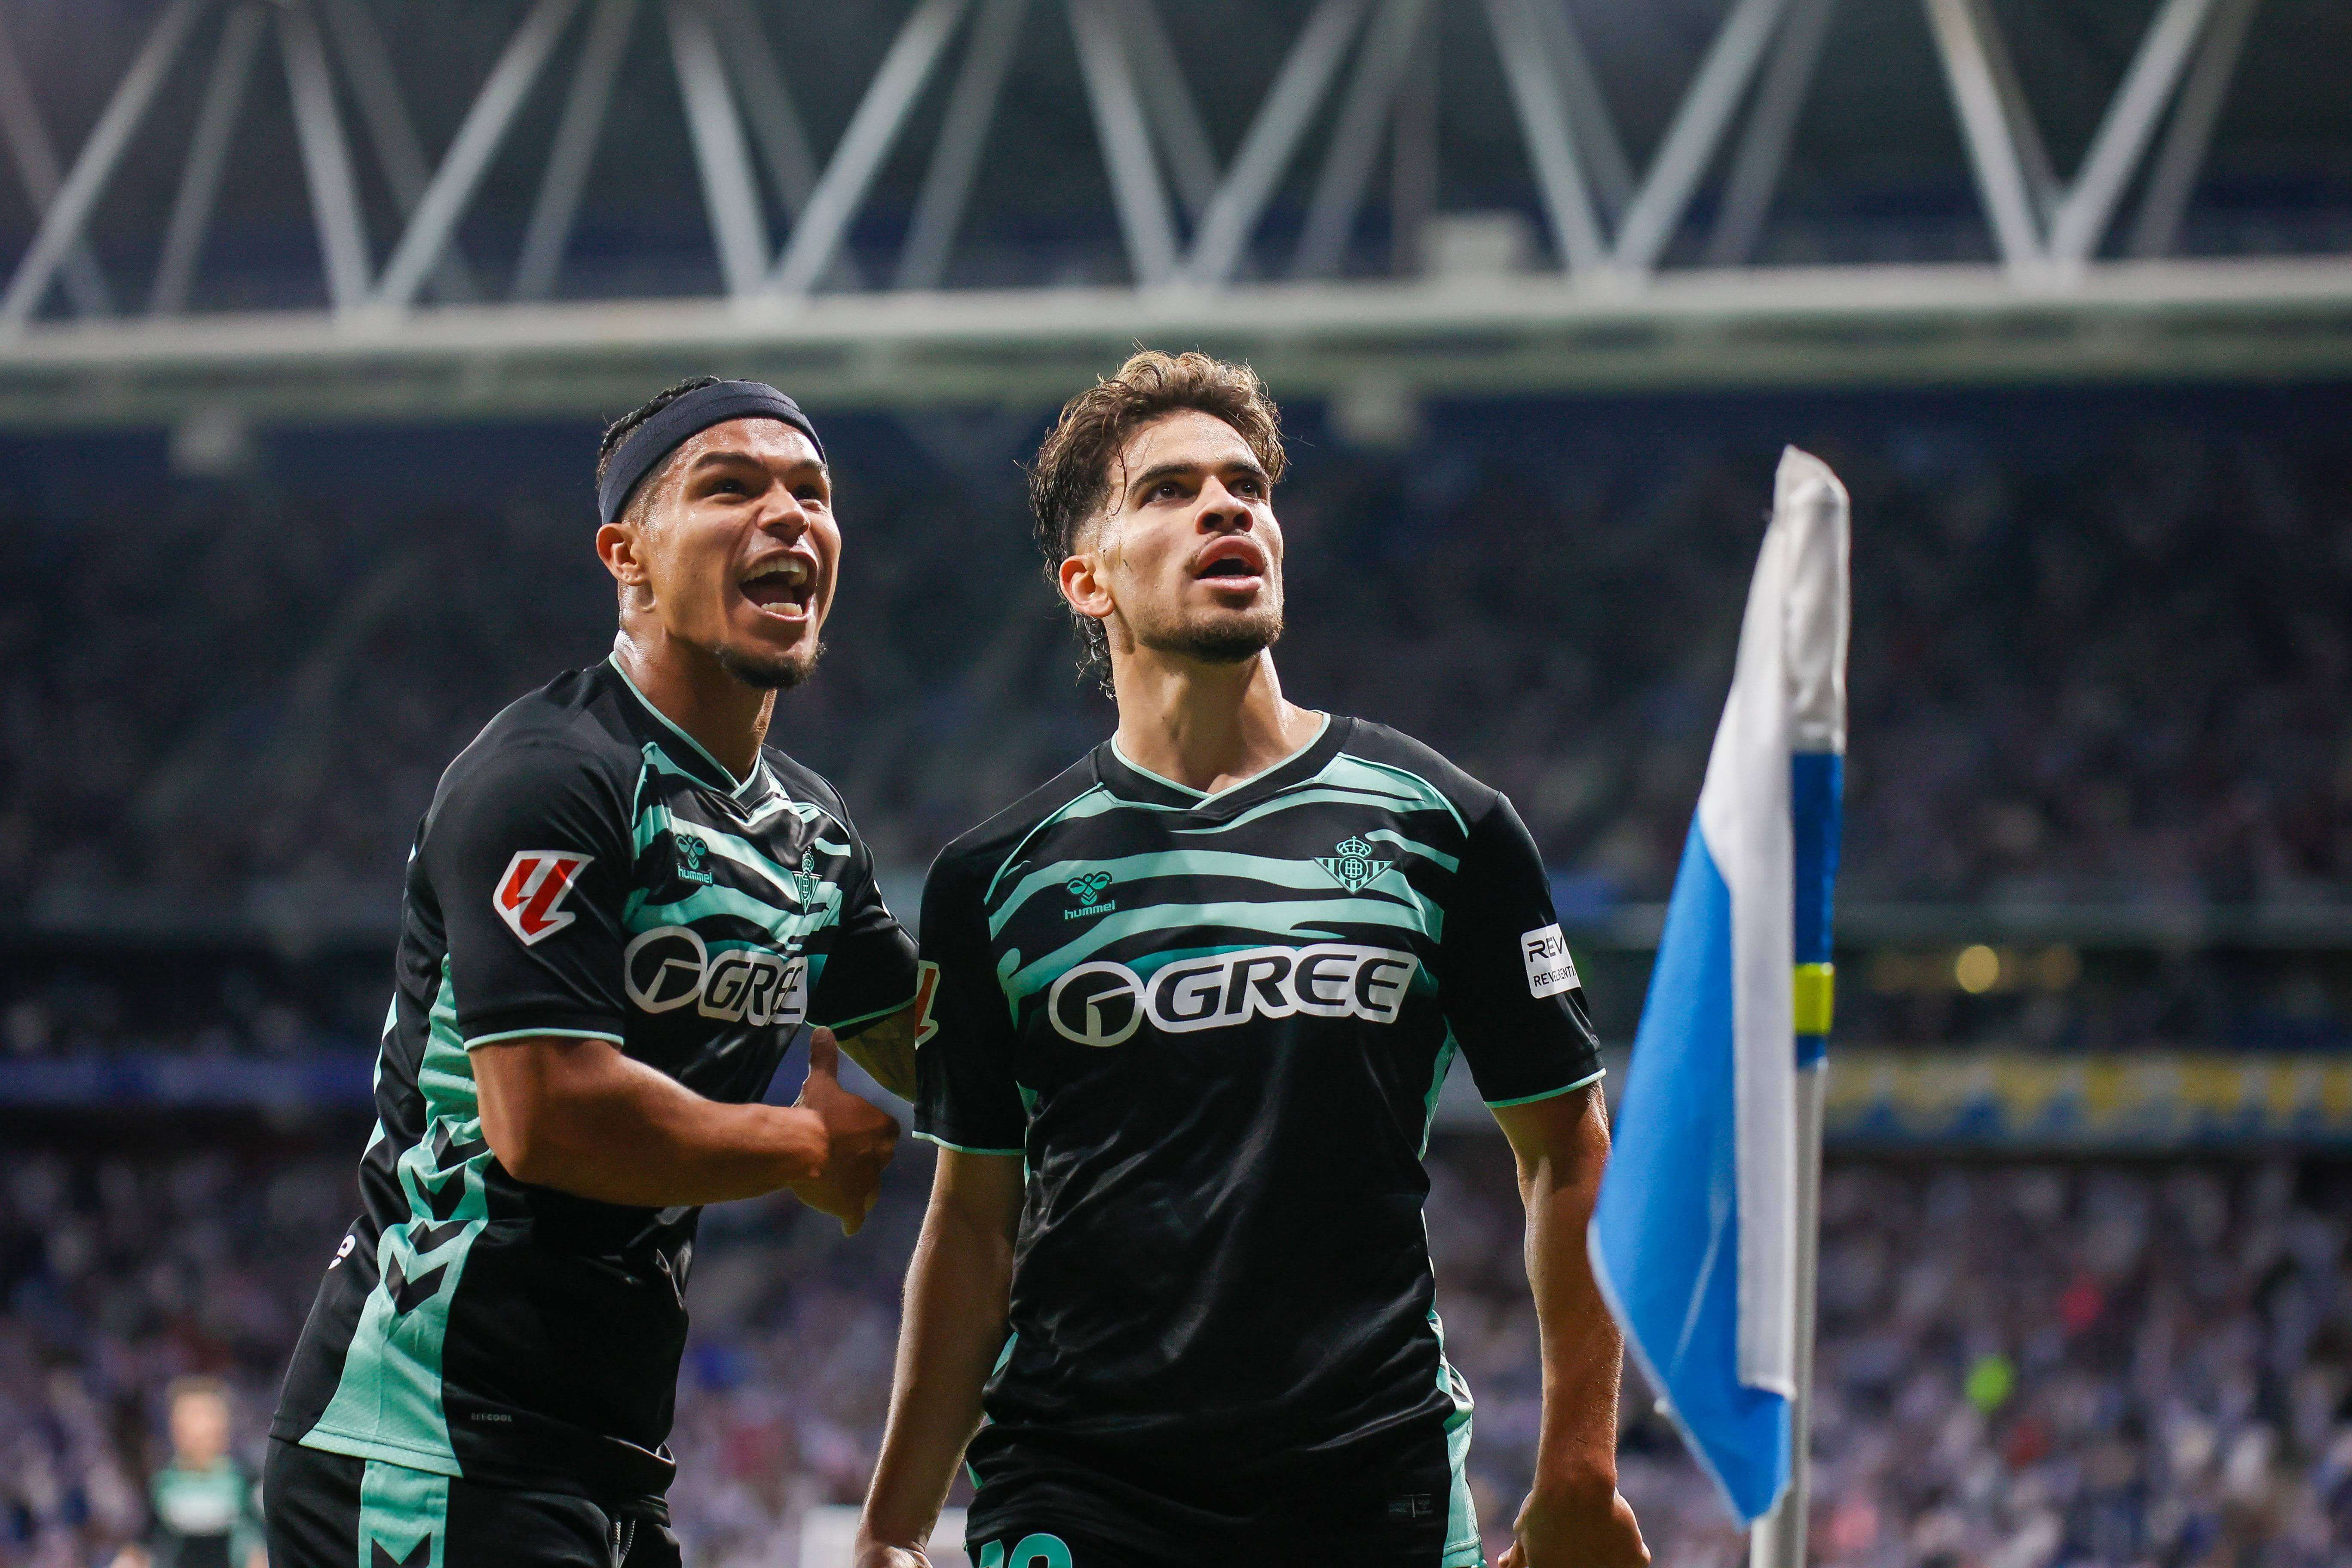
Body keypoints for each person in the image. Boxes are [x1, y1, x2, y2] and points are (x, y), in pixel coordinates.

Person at [857, 351, 1650, 1568]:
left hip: (1371, 1484)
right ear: (1089, 581)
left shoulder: (1448, 826)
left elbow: (1566, 1154)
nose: (1227, 507)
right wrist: (894, 1528)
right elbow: (973, 1222)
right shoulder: (995, 879)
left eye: (1247, 486)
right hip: (1080, 1490)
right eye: (1168, 491)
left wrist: (1580, 1473)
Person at [266, 377, 925, 1568]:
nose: (789, 516)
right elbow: (549, 1117)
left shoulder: (810, 832)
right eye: (731, 487)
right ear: (626, 553)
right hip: (428, 1445)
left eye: (812, 493)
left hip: (605, 1460)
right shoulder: (553, 772)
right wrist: (806, 1148)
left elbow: (936, 1051)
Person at [113, 1378, 266, 1568]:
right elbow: (137, 1549)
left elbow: (261, 1549)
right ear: (174, 1426)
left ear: (225, 1425)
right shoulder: (159, 1486)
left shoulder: (247, 1484)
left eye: (208, 1415)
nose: (199, 1428)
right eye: (191, 1416)